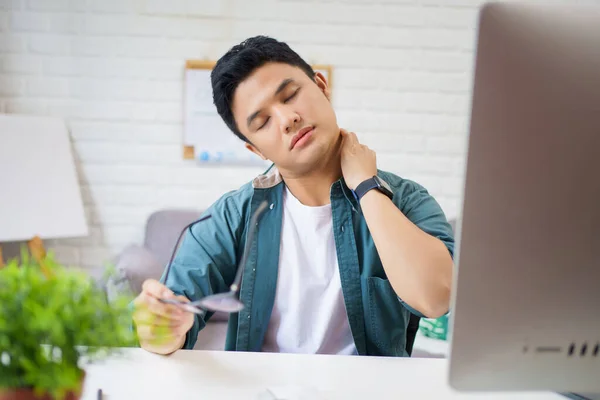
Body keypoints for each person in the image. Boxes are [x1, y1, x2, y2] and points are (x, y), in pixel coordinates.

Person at [132, 36, 455, 357]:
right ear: (255, 149)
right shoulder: (233, 215)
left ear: (321, 85)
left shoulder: (404, 199)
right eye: (263, 122)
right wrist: (159, 324)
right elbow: (164, 327)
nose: (287, 120)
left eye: (290, 96)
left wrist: (366, 187)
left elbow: (436, 298)